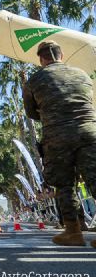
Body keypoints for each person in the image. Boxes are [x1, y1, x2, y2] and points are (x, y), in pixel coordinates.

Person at [23, 41, 96, 247]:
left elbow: (30, 112)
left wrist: (50, 112)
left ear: (41, 58)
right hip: (89, 131)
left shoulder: (34, 81)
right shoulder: (82, 74)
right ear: (61, 55)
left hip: (57, 135)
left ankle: (73, 231)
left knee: (64, 184)